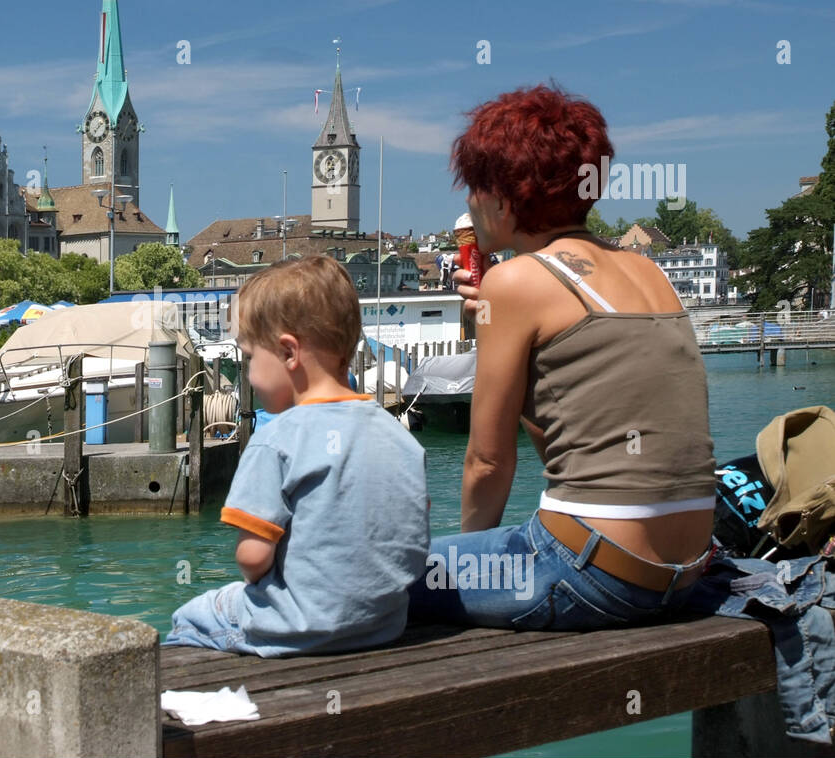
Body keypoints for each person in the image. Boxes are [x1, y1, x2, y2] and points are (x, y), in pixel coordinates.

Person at [408, 83, 717, 631]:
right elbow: (564, 443)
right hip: (683, 573)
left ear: (503, 197)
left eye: (476, 187)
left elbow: (488, 462)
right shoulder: (650, 272)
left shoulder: (515, 281)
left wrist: (467, 561)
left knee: (362, 579)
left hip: (593, 571)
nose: (469, 203)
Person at [164, 255, 430, 657]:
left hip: (294, 627)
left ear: (289, 353)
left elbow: (253, 560)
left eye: (250, 357)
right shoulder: (399, 437)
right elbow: (412, 538)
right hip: (382, 625)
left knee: (192, 614)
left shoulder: (277, 440)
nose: (248, 372)